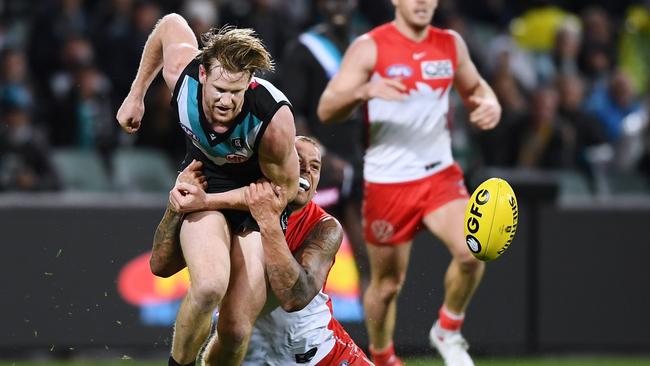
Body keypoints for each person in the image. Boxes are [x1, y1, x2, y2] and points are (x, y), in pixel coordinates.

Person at [317, 0, 502, 365]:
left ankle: (447, 330)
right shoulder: (369, 46)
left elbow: (477, 88)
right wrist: (363, 92)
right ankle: (383, 356)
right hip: (387, 182)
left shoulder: (450, 44)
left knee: (474, 248)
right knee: (386, 287)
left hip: (439, 175)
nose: (421, 2)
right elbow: (326, 108)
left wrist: (490, 103)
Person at [116, 14, 299, 366]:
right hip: (205, 182)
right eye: (219, 90)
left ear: (250, 83)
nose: (226, 102)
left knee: (235, 331)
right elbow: (170, 24)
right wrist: (136, 94)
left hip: (256, 203)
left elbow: (283, 192)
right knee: (209, 286)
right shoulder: (183, 79)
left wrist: (208, 199)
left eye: (236, 92)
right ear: (202, 74)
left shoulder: (272, 122)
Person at [151, 136, 374, 366]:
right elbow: (160, 266)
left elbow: (295, 297)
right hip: (251, 355)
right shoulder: (232, 205)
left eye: (315, 167)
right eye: (297, 161)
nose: (306, 171)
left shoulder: (324, 226)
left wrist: (268, 222)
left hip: (318, 355)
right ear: (276, 166)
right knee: (231, 330)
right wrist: (176, 207)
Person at [280, 0, 368, 285]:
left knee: (369, 262)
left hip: (357, 164)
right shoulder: (304, 49)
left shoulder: (362, 49)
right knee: (302, 255)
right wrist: (323, 156)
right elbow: (292, 115)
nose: (339, 5)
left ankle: (377, 331)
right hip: (317, 168)